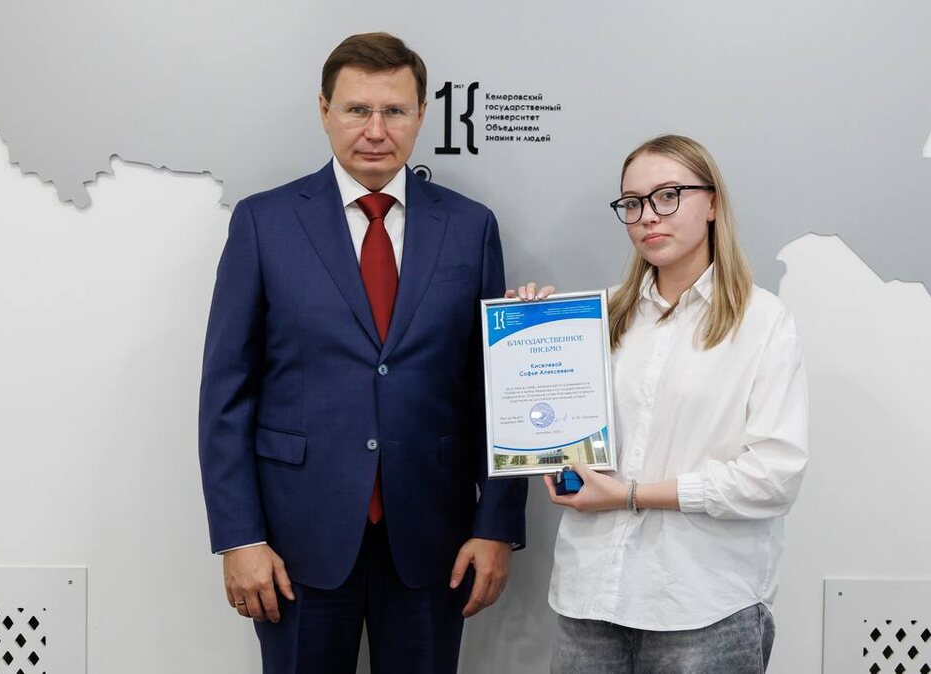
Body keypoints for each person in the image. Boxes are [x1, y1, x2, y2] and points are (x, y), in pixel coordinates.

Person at [197, 32, 529, 674]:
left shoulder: (470, 226)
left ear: (421, 115)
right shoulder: (264, 223)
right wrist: (239, 537)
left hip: (433, 541)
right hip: (295, 544)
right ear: (325, 110)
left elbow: (494, 393)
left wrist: (496, 525)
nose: (376, 130)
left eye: (394, 111)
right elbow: (226, 395)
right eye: (357, 109)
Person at [543, 134, 809, 673]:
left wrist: (632, 496)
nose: (647, 216)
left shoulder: (761, 321)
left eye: (668, 196)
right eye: (632, 202)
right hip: (591, 596)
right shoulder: (595, 318)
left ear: (712, 204)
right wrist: (530, 336)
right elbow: (560, 442)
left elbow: (775, 477)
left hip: (704, 605)